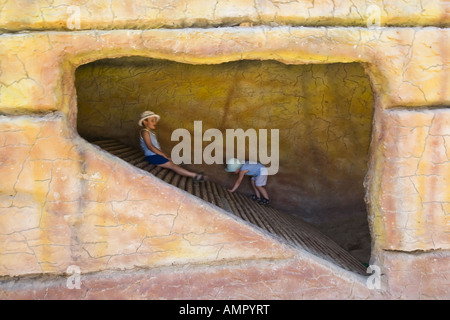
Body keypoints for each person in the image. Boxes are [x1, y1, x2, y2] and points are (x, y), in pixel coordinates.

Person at [138, 111, 206, 183]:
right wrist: (164, 156)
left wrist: (166, 156)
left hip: (156, 155)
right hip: (152, 157)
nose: (155, 123)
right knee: (172, 165)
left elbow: (157, 148)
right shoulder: (144, 132)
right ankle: (195, 176)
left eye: (155, 120)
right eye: (152, 121)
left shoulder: (150, 133)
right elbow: (150, 147)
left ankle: (190, 173)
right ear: (144, 122)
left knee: (173, 161)